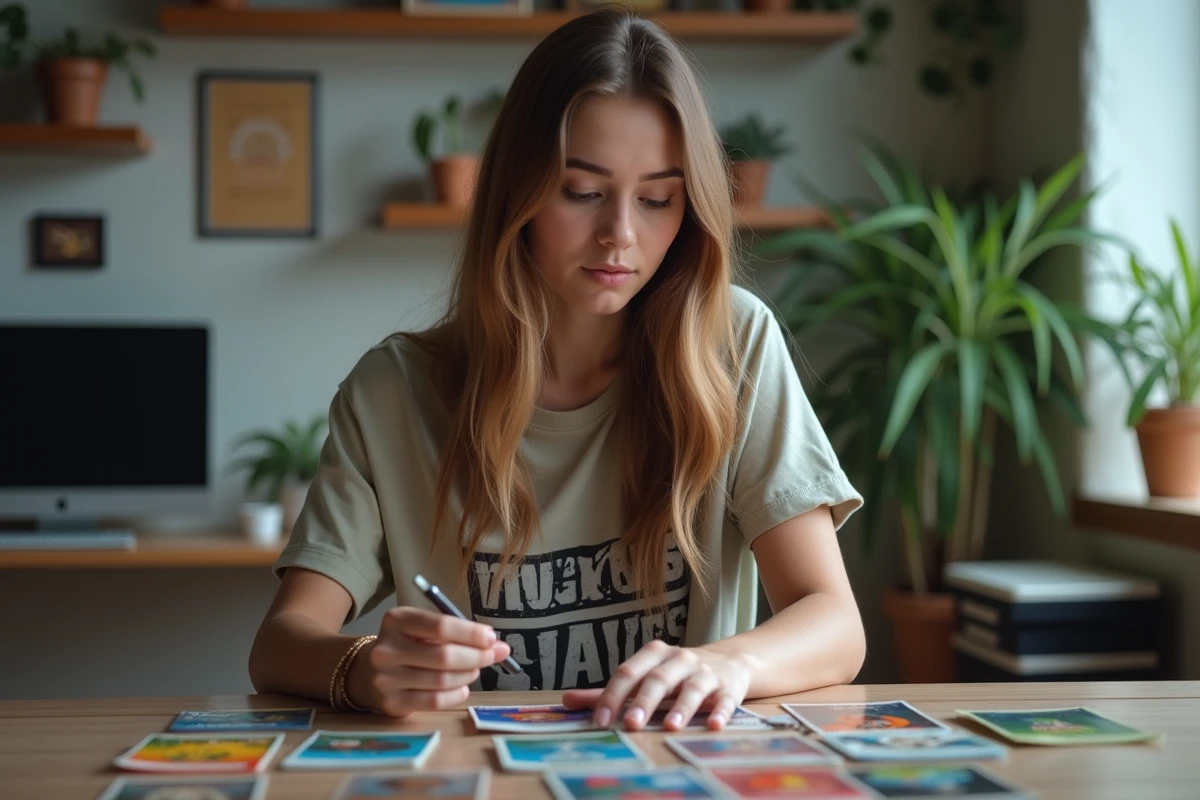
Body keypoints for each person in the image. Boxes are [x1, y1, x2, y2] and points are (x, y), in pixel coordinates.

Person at [249, 8, 865, 732]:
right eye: (581, 191)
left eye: (659, 199)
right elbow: (279, 645)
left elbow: (834, 622)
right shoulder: (393, 391)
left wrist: (729, 664)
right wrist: (361, 667)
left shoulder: (733, 343)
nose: (621, 235)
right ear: (519, 190)